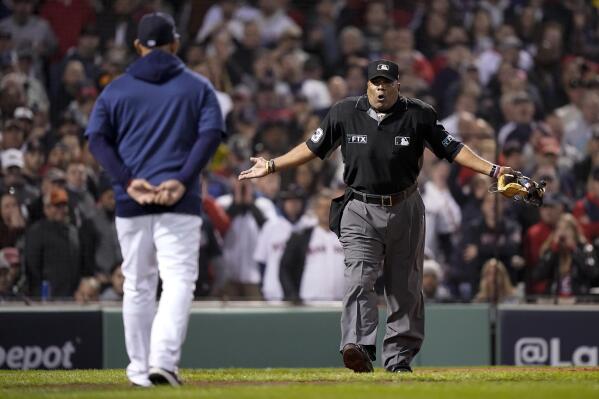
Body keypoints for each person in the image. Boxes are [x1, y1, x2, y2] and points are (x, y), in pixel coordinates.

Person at [239, 59, 514, 373]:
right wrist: (272, 165)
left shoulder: (418, 114)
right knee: (358, 277)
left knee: (405, 286)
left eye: (387, 82)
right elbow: (312, 147)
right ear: (366, 84)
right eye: (375, 82)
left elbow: (453, 148)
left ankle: (398, 360)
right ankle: (357, 346)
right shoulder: (344, 112)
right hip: (360, 206)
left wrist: (493, 170)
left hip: (406, 205)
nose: (380, 88)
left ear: (398, 85)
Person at [85, 13, 224, 387]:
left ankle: (138, 370)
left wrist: (128, 182)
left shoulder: (116, 89)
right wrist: (181, 180)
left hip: (133, 200)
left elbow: (96, 138)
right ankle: (163, 362)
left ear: (137, 47)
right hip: (178, 201)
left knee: (137, 284)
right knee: (177, 281)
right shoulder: (197, 87)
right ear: (175, 44)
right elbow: (211, 133)